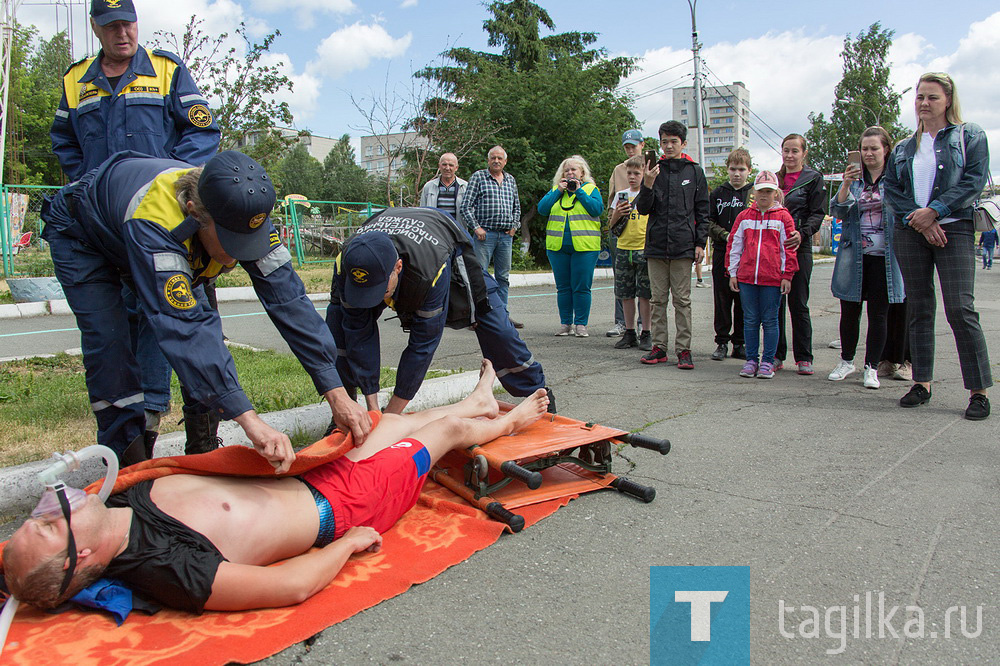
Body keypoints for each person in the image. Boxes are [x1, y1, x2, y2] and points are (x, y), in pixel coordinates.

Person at [2, 363, 551, 613]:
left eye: (38, 515)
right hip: (345, 506)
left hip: (310, 478)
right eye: (51, 524)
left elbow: (21, 568)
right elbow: (287, 588)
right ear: (87, 555)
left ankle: (477, 402)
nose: (53, 504)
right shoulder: (166, 567)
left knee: (380, 424)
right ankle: (510, 420)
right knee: (445, 436)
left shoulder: (119, 498)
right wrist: (348, 544)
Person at [40, 150, 372, 467]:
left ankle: (203, 446)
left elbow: (289, 300)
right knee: (110, 343)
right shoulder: (157, 221)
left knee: (209, 330)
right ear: (194, 213)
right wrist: (250, 420)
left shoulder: (244, 211)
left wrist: (336, 392)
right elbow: (185, 330)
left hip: (156, 233)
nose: (237, 256)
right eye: (232, 243)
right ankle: (129, 468)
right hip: (84, 234)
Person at [51, 0, 222, 453]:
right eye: (110, 26)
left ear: (136, 23)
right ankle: (139, 436)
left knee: (190, 318)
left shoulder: (167, 71)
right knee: (124, 330)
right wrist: (87, 182)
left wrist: (172, 182)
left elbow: (203, 132)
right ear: (96, 28)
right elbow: (64, 141)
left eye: (127, 23)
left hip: (166, 222)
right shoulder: (75, 81)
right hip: (105, 225)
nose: (121, 33)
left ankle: (203, 440)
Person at [325, 206, 553, 416]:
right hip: (391, 241)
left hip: (443, 244)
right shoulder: (348, 262)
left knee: (498, 329)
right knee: (338, 326)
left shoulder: (430, 271)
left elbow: (422, 346)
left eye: (380, 290)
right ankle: (347, 410)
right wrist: (373, 408)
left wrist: (390, 417)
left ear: (398, 268)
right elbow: (358, 333)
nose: (374, 299)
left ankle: (537, 392)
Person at [883, 72, 992, 420]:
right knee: (919, 307)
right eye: (919, 97)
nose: (924, 104)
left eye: (931, 97)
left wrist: (936, 212)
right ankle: (922, 383)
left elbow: (974, 182)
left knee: (961, 308)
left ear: (948, 100)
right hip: (911, 232)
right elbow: (892, 189)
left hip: (955, 230)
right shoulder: (903, 147)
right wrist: (920, 218)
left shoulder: (969, 135)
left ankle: (978, 391)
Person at [828, 127, 905, 390]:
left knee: (879, 313)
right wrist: (847, 183)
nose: (869, 153)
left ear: (886, 150)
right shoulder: (855, 180)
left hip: (885, 257)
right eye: (864, 148)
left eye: (874, 148)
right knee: (849, 311)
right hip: (854, 254)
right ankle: (846, 361)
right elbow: (837, 210)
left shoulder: (894, 179)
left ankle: (871, 366)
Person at [634, 120, 709, 369]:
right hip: (656, 245)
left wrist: (700, 243)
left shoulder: (694, 171)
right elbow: (644, 209)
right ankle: (659, 347)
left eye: (673, 142)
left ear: (683, 143)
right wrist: (647, 182)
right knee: (657, 300)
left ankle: (684, 350)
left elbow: (702, 209)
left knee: (682, 301)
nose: (668, 146)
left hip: (683, 245)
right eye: (664, 141)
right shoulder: (654, 169)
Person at [725, 171, 798, 379]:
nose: (764, 195)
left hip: (772, 280)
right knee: (749, 320)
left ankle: (767, 361)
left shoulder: (784, 217)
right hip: (747, 278)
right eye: (760, 191)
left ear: (776, 193)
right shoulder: (744, 217)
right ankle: (750, 360)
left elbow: (789, 249)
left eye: (768, 191)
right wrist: (733, 272)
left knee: (770, 320)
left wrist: (787, 275)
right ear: (754, 193)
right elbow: (734, 245)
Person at [774, 134, 828, 375]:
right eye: (786, 150)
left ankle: (804, 357)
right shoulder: (774, 179)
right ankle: (775, 355)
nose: (790, 155)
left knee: (798, 303)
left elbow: (818, 213)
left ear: (804, 153)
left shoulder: (813, 179)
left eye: (795, 151)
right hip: (773, 249)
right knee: (775, 305)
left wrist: (802, 234)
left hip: (799, 246)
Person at [538, 155, 604, 337]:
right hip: (558, 247)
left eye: (574, 169)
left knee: (581, 286)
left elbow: (597, 209)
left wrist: (579, 191)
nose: (570, 172)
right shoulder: (555, 190)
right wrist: (558, 191)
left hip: (585, 246)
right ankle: (565, 323)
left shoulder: (591, 189)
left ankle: (581, 324)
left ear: (582, 173)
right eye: (566, 170)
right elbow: (542, 209)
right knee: (563, 287)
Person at [460, 146, 522, 327]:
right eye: (493, 158)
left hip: (505, 236)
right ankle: (478, 317)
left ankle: (502, 316)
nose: (496, 161)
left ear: (505, 161)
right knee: (479, 277)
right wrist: (476, 227)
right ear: (488, 161)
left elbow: (516, 207)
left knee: (503, 277)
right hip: (484, 236)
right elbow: (466, 206)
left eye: (500, 158)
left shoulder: (510, 180)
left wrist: (514, 226)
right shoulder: (479, 177)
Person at [708, 147, 753, 362]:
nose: (737, 174)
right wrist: (725, 235)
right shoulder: (718, 194)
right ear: (727, 169)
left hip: (747, 255)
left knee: (743, 299)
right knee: (722, 298)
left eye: (741, 169)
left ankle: (740, 343)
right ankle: (722, 342)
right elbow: (708, 221)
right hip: (722, 251)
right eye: (733, 169)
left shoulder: (754, 194)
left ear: (749, 171)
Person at [608, 155, 651, 350]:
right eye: (630, 173)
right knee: (625, 293)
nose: (632, 177)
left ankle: (647, 332)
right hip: (624, 247)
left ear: (644, 173)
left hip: (643, 247)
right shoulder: (621, 195)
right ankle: (629, 331)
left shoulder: (649, 194)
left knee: (644, 294)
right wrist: (618, 212)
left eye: (637, 173)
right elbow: (611, 224)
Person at [419, 153, 467, 220]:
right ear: (439, 166)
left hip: (457, 229)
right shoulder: (429, 187)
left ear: (456, 168)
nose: (447, 168)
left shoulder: (465, 187)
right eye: (444, 164)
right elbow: (422, 212)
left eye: (451, 165)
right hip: (436, 228)